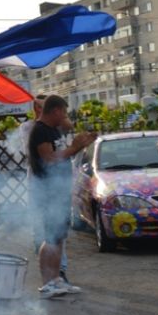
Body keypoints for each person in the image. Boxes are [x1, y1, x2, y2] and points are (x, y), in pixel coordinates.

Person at [28, 95, 95, 299]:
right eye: (63, 112)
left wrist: (79, 146)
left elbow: (63, 150)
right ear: (56, 111)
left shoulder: (52, 129)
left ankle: (56, 278)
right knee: (50, 237)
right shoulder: (40, 130)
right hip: (48, 191)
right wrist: (74, 148)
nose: (65, 116)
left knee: (58, 237)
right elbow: (49, 159)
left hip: (59, 190)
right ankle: (47, 283)